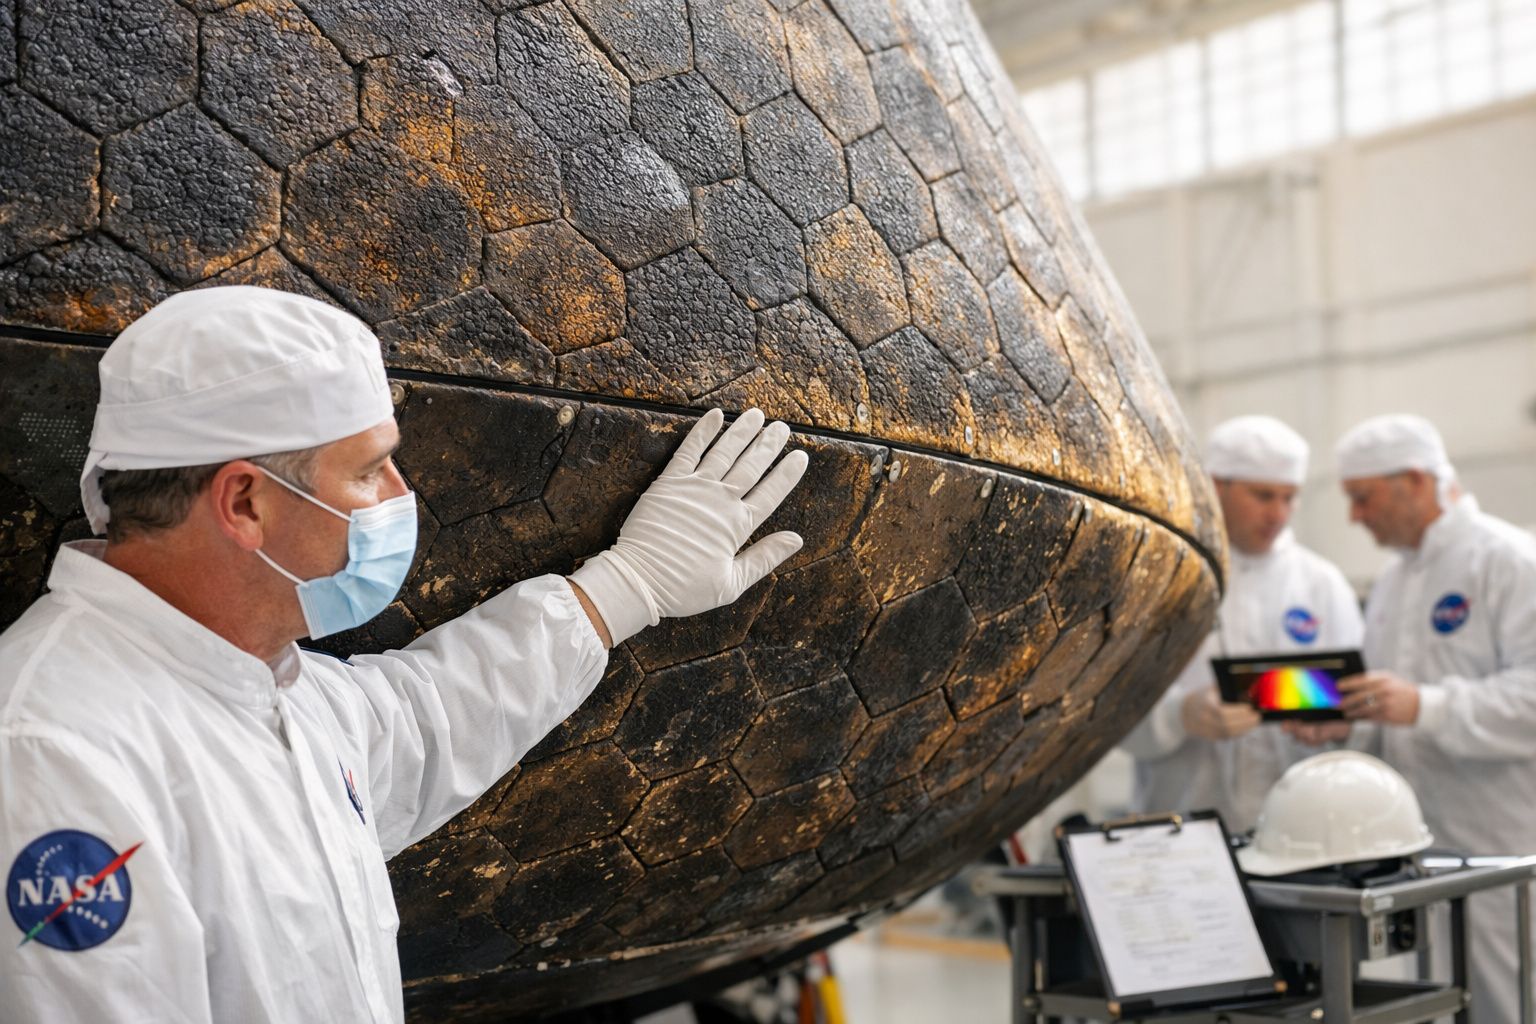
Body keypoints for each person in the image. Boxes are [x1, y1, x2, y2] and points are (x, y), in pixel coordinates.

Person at [0, 287, 809, 1023]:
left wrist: (629, 585)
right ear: (243, 502)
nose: (398, 495)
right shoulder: (52, 758)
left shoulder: (277, 694)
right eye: (366, 470)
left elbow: (430, 716)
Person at [1325, 413, 1536, 1024]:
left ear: (1415, 482)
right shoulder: (1394, 583)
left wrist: (1426, 705)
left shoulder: (1509, 561)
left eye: (1363, 499)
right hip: (1416, 850)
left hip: (1501, 845)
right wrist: (1348, 725)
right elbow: (1392, 708)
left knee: (1506, 1002)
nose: (1355, 517)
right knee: (1431, 1003)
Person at [1121, 415, 1362, 832]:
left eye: (1290, 497)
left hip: (1301, 829)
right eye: (1263, 495)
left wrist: (1342, 723)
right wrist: (1180, 715)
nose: (1279, 513)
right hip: (1180, 825)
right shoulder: (1161, 579)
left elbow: (1358, 704)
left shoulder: (1322, 584)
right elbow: (1106, 710)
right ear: (1215, 487)